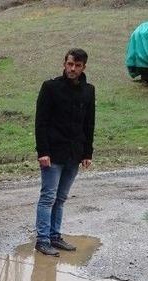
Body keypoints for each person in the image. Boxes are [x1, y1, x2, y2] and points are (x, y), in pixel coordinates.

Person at [33, 48, 95, 256]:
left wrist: (87, 153)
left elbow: (89, 123)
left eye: (77, 66)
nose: (73, 69)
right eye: (70, 64)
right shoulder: (50, 87)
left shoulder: (89, 90)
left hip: (74, 153)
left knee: (61, 198)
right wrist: (43, 151)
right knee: (48, 197)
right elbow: (41, 122)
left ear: (83, 67)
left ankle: (55, 236)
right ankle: (42, 240)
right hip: (52, 152)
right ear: (64, 64)